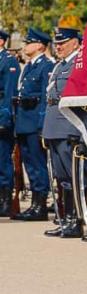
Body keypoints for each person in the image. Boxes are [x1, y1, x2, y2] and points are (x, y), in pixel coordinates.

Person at [42, 27, 83, 237]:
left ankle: (76, 221)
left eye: (63, 43)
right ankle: (66, 219)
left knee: (72, 176)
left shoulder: (79, 64)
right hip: (54, 127)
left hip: (68, 126)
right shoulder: (60, 66)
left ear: (75, 43)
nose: (58, 47)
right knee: (62, 177)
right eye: (56, 43)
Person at [11, 28, 54, 221]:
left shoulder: (46, 66)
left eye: (29, 43)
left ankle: (40, 205)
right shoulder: (28, 67)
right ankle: (35, 204)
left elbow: (46, 98)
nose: (25, 46)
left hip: (35, 121)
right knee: (29, 164)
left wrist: (42, 125)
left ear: (39, 46)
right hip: (23, 121)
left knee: (38, 164)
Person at [0, 29, 19, 217]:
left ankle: (6, 200)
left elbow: (9, 92)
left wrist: (4, 118)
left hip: (2, 117)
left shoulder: (8, 61)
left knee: (2, 160)